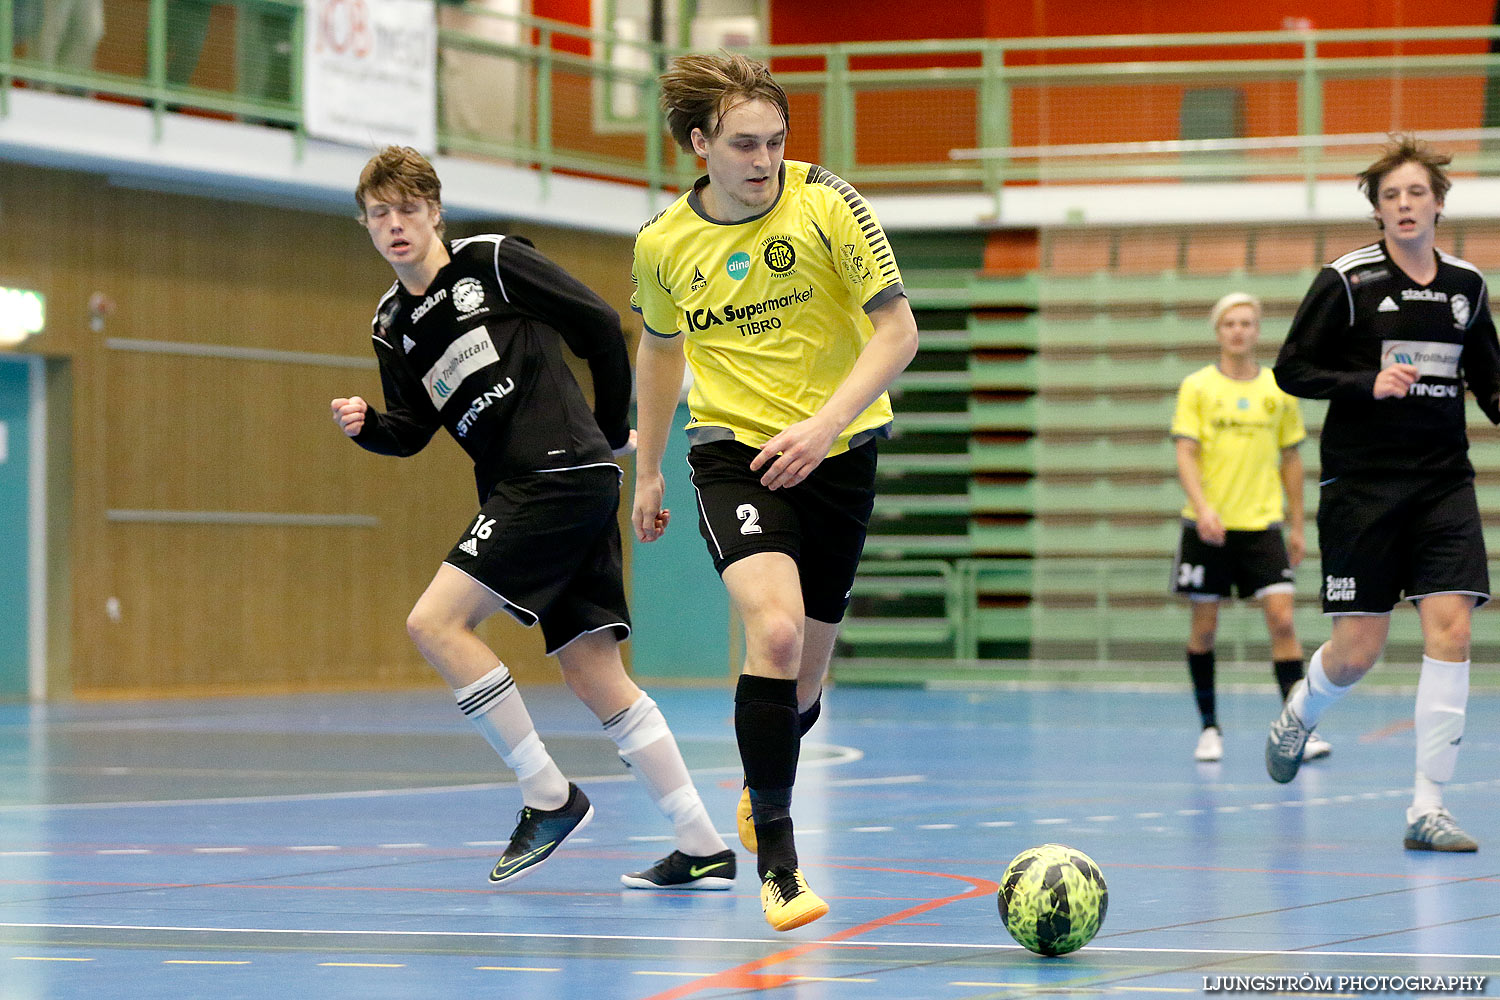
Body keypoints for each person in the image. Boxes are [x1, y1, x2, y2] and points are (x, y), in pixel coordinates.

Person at [331, 145, 734, 889]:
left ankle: (547, 794)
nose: (395, 225)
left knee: (435, 623)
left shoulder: (492, 262)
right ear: (365, 224)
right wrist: (369, 428)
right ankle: (700, 840)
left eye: (409, 210)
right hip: (532, 488)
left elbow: (601, 325)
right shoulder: (392, 324)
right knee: (592, 671)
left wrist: (613, 432)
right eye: (380, 214)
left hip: (559, 473)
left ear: (435, 213)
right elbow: (413, 429)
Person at [629, 53, 919, 931]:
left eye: (777, 141)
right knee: (778, 628)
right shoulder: (664, 244)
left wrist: (827, 425)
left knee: (804, 680)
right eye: (745, 144)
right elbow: (659, 348)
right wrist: (646, 468)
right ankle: (781, 867)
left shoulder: (828, 203)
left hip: (839, 448)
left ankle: (769, 774)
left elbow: (898, 333)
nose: (765, 160)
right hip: (734, 455)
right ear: (698, 144)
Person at [1265, 134, 1500, 852]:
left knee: (1452, 629)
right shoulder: (1346, 281)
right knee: (1357, 651)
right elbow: (1290, 370)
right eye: (1391, 195)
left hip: (1442, 485)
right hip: (1362, 487)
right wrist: (1364, 382)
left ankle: (1426, 808)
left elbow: (1490, 382)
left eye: (1416, 193)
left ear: (1437, 204)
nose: (1405, 205)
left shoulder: (1467, 288)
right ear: (1377, 208)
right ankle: (1302, 710)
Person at [1171, 292, 1331, 764]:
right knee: (1204, 627)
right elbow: (1186, 452)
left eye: (1246, 323)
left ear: (1257, 330)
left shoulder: (1278, 390)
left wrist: (1297, 524)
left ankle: (1295, 727)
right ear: (1218, 331)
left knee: (1283, 621)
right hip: (1209, 527)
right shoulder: (1197, 387)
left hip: (1263, 526)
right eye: (1229, 324)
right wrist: (1203, 509)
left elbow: (1291, 459)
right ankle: (1209, 728)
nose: (1238, 331)